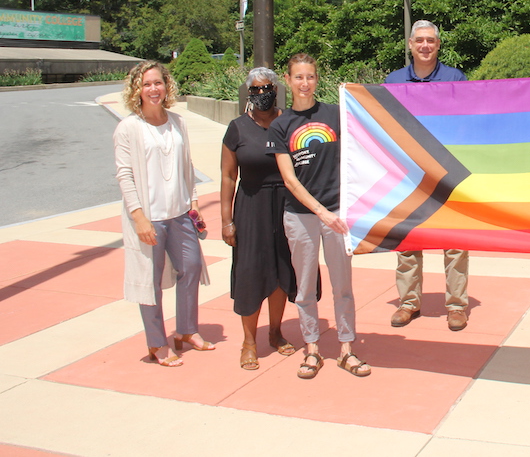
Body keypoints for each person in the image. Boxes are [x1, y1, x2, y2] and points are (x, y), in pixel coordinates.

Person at [268, 54, 371, 379]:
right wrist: (322, 213)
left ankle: (346, 348)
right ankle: (311, 348)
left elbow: (365, 139)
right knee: (305, 289)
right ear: (288, 80)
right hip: (302, 218)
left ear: (317, 78)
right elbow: (290, 181)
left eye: (310, 76)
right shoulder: (280, 126)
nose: (305, 83)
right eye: (298, 77)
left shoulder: (335, 114)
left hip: (338, 215)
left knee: (343, 287)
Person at [113, 61, 213, 367]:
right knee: (150, 280)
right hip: (149, 217)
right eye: (146, 84)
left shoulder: (178, 122)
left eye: (158, 83)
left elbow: (187, 166)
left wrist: (194, 204)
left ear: (166, 86)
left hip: (180, 213)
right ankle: (157, 342)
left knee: (192, 267)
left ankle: (186, 330)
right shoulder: (129, 128)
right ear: (136, 90)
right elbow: (124, 175)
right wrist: (138, 216)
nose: (153, 89)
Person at [384, 20, 470, 331]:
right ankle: (408, 303)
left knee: (455, 242)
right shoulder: (392, 82)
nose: (424, 46)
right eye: (419, 40)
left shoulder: (454, 78)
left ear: (438, 44)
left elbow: (466, 123)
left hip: (448, 173)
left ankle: (457, 306)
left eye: (430, 41)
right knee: (407, 239)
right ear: (409, 44)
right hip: (408, 174)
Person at [221, 67, 297, 370]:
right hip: (251, 206)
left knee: (281, 269)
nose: (262, 94)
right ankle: (249, 341)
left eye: (267, 88)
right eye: (256, 89)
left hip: (286, 205)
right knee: (251, 272)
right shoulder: (237, 127)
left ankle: (276, 332)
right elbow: (228, 177)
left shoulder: (289, 121)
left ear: (276, 90)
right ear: (248, 92)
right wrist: (227, 220)